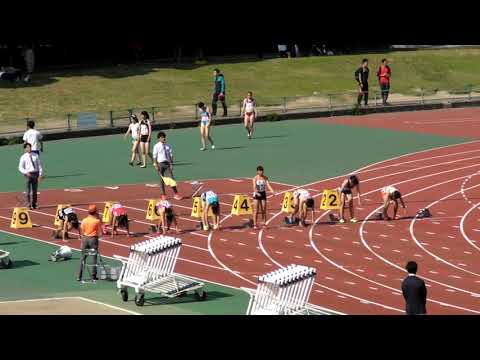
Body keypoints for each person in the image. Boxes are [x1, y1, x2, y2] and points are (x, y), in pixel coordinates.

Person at [153, 131, 182, 200]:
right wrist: (155, 165)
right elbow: (154, 156)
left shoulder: (167, 146)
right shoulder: (156, 146)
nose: (164, 139)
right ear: (159, 138)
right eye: (162, 137)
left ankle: (176, 194)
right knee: (161, 180)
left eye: (164, 137)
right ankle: (163, 195)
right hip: (160, 164)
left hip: (167, 164)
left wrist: (171, 164)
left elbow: (170, 155)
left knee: (172, 179)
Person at [78, 205, 102, 282]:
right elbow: (100, 232)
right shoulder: (96, 221)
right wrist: (99, 218)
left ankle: (79, 276)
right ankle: (93, 276)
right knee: (94, 258)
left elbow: (82, 229)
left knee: (83, 258)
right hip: (93, 239)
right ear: (95, 212)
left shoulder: (84, 220)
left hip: (85, 238)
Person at [18, 143, 44, 209]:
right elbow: (20, 167)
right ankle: (28, 205)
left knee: (35, 191)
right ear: (25, 149)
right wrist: (26, 172)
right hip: (28, 175)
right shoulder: (23, 157)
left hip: (36, 174)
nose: (29, 148)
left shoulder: (35, 155)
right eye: (27, 147)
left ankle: (34, 204)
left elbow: (40, 165)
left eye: (30, 147)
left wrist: (40, 175)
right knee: (28, 191)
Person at [252, 165, 275, 229]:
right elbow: (254, 187)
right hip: (256, 194)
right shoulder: (255, 178)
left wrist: (272, 191)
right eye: (260, 171)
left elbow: (268, 185)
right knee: (256, 210)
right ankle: (255, 224)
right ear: (257, 171)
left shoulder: (265, 178)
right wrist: (256, 192)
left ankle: (264, 223)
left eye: (262, 171)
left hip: (263, 193)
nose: (261, 172)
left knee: (264, 209)